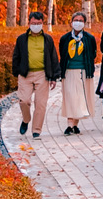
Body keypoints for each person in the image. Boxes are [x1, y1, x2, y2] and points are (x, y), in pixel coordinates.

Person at [7, 10, 62, 138]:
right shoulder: (22, 39)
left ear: (42, 23)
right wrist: (17, 72)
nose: (35, 25)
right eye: (33, 23)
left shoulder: (47, 39)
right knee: (24, 100)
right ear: (29, 23)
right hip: (25, 74)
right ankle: (26, 120)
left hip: (42, 74)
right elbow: (16, 56)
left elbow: (54, 58)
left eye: (38, 23)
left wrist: (54, 77)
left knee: (41, 103)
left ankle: (36, 130)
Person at [57, 15, 97, 135]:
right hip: (69, 71)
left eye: (80, 21)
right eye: (76, 20)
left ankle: (75, 125)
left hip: (84, 71)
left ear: (84, 23)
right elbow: (62, 53)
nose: (78, 23)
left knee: (80, 98)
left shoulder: (89, 38)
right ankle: (69, 125)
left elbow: (93, 54)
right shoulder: (65, 38)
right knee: (70, 97)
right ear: (71, 22)